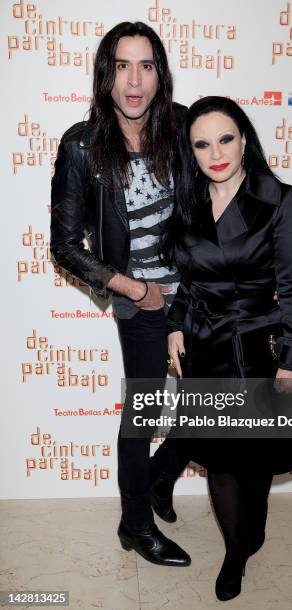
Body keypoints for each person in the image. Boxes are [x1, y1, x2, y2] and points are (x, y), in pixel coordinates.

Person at [50, 21, 192, 567]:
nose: (135, 81)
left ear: (160, 75)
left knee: (219, 405)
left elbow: (216, 197)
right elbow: (65, 245)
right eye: (123, 65)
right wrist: (136, 289)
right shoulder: (82, 145)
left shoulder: (181, 127)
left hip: (194, 292)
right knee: (145, 411)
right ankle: (136, 524)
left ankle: (159, 477)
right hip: (140, 301)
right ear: (105, 75)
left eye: (147, 65)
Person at [165, 96, 292, 600]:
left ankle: (250, 533)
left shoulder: (278, 199)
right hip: (206, 349)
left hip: (260, 348)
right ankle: (233, 552)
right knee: (221, 460)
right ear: (191, 152)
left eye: (225, 138)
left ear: (245, 139)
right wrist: (175, 324)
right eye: (202, 144)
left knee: (255, 462)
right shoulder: (186, 203)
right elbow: (187, 284)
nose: (216, 152)